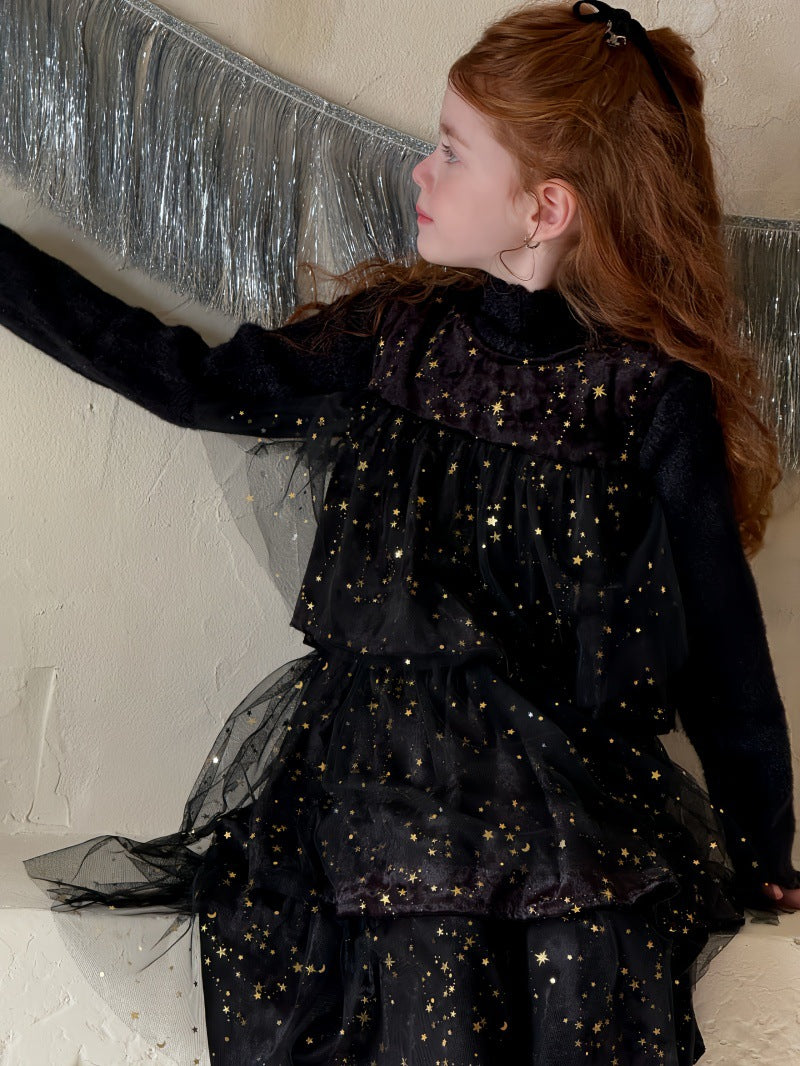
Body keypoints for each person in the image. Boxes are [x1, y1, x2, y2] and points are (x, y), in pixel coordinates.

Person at [2, 1, 799, 1062]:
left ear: (546, 207)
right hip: (372, 778)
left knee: (577, 957)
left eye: (452, 152)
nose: (419, 171)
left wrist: (762, 843)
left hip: (556, 791)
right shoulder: (394, 338)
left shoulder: (644, 395)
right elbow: (189, 380)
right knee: (409, 944)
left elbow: (721, 643)